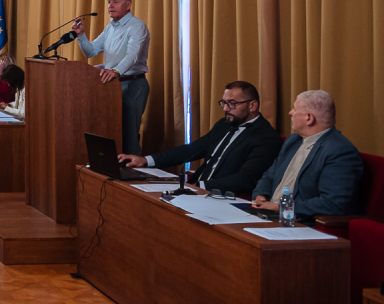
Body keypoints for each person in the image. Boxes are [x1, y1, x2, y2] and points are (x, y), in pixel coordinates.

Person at [118, 81, 282, 194]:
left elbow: (246, 179)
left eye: (232, 103)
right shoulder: (223, 125)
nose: (225, 109)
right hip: (195, 189)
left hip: (222, 197)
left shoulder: (266, 138)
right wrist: (145, 160)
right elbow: (191, 150)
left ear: (252, 105)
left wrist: (200, 185)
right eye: (223, 103)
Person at [251, 90, 363, 219]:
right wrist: (261, 196)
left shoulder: (339, 151)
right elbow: (269, 176)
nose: (290, 112)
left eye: (294, 109)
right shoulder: (293, 141)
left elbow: (333, 204)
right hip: (267, 215)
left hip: (298, 222)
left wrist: (280, 207)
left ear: (308, 118)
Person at [72, 0, 152, 154]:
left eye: (115, 2)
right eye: (109, 2)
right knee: (111, 133)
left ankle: (133, 176)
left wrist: (115, 71)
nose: (110, 6)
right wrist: (81, 36)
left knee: (129, 137)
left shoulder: (137, 26)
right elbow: (92, 51)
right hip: (111, 85)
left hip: (132, 85)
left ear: (128, 4)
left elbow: (132, 56)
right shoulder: (111, 27)